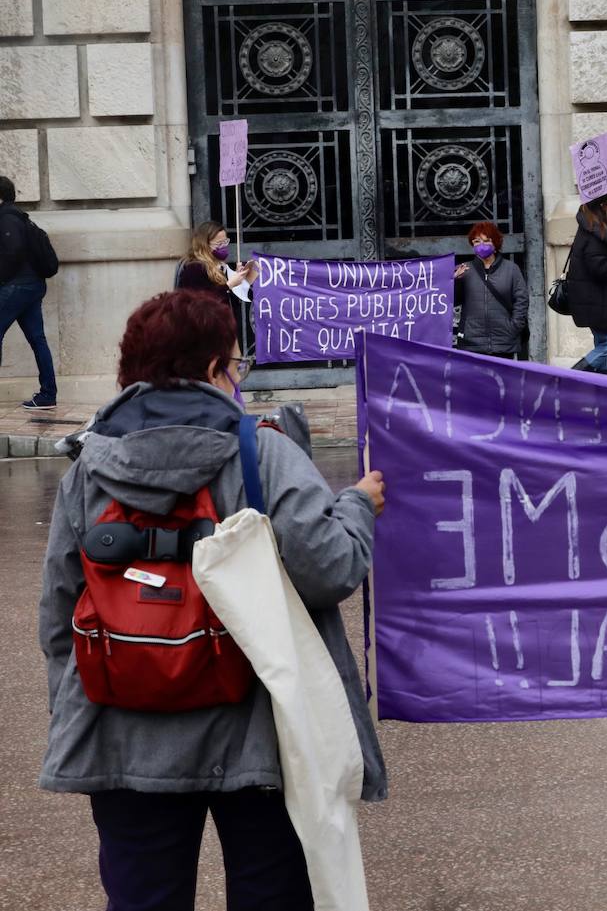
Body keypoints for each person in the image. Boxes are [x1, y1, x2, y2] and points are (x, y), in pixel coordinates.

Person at [38, 290, 388, 910]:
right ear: (210, 370)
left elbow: (59, 615)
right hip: (257, 733)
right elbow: (332, 567)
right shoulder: (264, 453)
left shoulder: (88, 469)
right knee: (271, 893)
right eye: (235, 364)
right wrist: (357, 505)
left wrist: (80, 707)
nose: (238, 378)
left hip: (123, 731)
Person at [0, 175, 58, 409]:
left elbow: (13, 251)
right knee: (37, 339)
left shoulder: (6, 218)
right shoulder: (20, 217)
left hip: (18, 286)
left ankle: (48, 393)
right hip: (32, 286)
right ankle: (48, 394)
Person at [175, 221, 257, 351]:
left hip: (221, 332)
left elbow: (228, 302)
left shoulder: (220, 268)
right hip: (203, 336)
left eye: (225, 242)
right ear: (204, 245)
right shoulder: (194, 269)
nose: (224, 247)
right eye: (219, 244)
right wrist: (229, 285)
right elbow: (200, 302)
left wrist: (241, 280)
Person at [454, 221, 529, 360]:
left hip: (504, 343)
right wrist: (454, 281)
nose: (481, 245)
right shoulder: (464, 270)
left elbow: (521, 300)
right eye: (476, 241)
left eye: (486, 241)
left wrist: (513, 327)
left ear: (495, 244)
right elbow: (450, 301)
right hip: (472, 343)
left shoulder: (511, 269)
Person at [565, 193, 607, 374]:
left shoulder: (591, 228)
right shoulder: (595, 232)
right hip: (595, 299)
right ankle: (571, 375)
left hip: (594, 298)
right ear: (603, 205)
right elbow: (598, 267)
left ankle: (603, 387)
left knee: (602, 342)